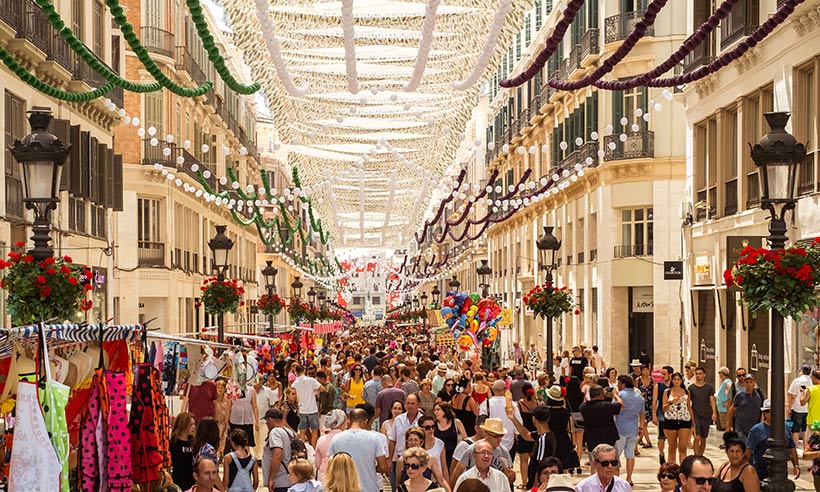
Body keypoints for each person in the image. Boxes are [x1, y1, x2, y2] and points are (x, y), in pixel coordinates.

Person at [326, 408, 390, 492]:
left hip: (344, 488)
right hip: (369, 488)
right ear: (365, 421)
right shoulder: (374, 438)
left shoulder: (337, 438)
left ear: (349, 420)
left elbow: (330, 465)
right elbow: (384, 468)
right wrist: (370, 467)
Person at [449, 418, 516, 488]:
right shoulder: (473, 449)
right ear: (486, 434)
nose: (499, 439)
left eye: (501, 436)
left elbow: (510, 477)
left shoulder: (504, 452)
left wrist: (510, 475)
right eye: (496, 436)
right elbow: (458, 472)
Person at [745, 399, 800, 482]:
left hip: (781, 472)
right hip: (761, 473)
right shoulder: (756, 430)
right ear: (765, 413)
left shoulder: (786, 428)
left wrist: (796, 466)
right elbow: (748, 451)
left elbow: (792, 448)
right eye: (772, 411)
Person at [580, 385, 623, 462]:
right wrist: (615, 395)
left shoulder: (583, 407)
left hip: (592, 439)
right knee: (613, 464)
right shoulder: (607, 406)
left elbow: (586, 401)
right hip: (608, 438)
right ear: (601, 395)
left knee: (594, 465)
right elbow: (621, 405)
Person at [614, 375, 643, 486]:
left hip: (620, 427)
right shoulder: (639, 397)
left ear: (623, 384)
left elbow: (614, 409)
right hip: (633, 428)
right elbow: (642, 414)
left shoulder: (620, 395)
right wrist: (641, 427)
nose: (617, 385)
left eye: (619, 383)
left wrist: (615, 395)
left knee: (616, 454)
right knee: (630, 455)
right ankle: (629, 478)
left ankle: (616, 477)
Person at [479, 379, 522, 454]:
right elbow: (519, 422)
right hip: (509, 442)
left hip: (491, 441)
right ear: (505, 390)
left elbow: (482, 422)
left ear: (493, 389)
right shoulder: (511, 404)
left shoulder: (486, 404)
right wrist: (516, 433)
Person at [544, 386, 580, 473]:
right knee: (563, 467)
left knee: (550, 466)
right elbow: (570, 429)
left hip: (550, 440)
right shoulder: (566, 412)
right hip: (564, 440)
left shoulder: (546, 412)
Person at [389, 394, 423, 487]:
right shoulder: (398, 420)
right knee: (397, 486)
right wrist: (389, 460)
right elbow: (392, 440)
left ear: (418, 404)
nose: (410, 406)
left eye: (413, 403)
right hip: (399, 460)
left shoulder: (422, 420)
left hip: (418, 461)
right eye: (408, 403)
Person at [662, 371, 693, 464]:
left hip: (684, 420)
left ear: (681, 380)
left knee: (683, 447)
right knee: (672, 447)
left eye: (678, 379)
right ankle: (672, 468)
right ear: (672, 380)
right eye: (674, 379)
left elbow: (689, 407)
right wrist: (671, 402)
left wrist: (693, 423)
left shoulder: (686, 391)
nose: (676, 381)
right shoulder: (667, 392)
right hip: (671, 420)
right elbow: (664, 408)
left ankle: (683, 468)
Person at [292, 364, 326, 447]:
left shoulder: (294, 384)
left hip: (302, 409)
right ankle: (313, 449)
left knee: (302, 432)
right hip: (312, 409)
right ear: (304, 371)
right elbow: (322, 389)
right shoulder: (311, 380)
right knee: (314, 431)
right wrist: (314, 391)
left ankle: (302, 449)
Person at [263, 408, 296, 492]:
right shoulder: (289, 432)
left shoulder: (275, 432)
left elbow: (277, 454)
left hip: (280, 480)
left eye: (266, 421)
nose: (266, 423)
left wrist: (271, 478)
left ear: (270, 419)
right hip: (290, 478)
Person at [689, 366, 717, 455]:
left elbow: (712, 400)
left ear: (704, 375)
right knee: (697, 437)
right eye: (696, 374)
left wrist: (714, 413)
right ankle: (696, 455)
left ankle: (701, 455)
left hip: (706, 415)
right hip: (695, 414)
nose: (698, 376)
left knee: (704, 438)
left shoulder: (709, 387)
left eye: (700, 374)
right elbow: (688, 402)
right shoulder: (691, 388)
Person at [726, 374, 762, 441]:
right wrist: (728, 425)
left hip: (754, 428)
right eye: (747, 382)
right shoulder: (739, 395)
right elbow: (732, 410)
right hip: (740, 428)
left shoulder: (759, 395)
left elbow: (762, 410)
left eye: (750, 382)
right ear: (744, 383)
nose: (749, 384)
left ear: (754, 383)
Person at [314, 409, 347, 482]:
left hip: (324, 478)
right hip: (342, 479)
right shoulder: (347, 439)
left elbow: (317, 464)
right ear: (342, 423)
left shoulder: (321, 440)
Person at [255, 372, 282, 456]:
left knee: (263, 440)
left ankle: (261, 458)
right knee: (254, 442)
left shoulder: (268, 391)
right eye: (257, 379)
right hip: (252, 420)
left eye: (260, 379)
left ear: (263, 380)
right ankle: (255, 458)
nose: (258, 381)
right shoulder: (250, 391)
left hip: (264, 420)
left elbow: (272, 405)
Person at [433, 402, 467, 467]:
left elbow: (465, 438)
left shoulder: (456, 422)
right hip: (439, 458)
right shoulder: (434, 425)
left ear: (445, 410)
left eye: (438, 409)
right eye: (435, 410)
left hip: (455, 457)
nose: (435, 412)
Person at [170, 412, 197, 491]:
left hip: (192, 485)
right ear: (183, 425)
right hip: (177, 484)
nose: (194, 427)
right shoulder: (172, 444)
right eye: (191, 425)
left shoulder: (193, 444)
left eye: (194, 424)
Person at [787, 365, 813, 445]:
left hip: (797, 408)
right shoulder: (812, 381)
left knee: (796, 429)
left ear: (801, 371)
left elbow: (792, 396)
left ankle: (794, 446)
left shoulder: (797, 381)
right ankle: (806, 446)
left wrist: (789, 408)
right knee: (805, 428)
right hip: (808, 408)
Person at [228, 384, 259, 450]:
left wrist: (257, 421)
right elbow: (228, 407)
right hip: (235, 421)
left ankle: (247, 459)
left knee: (247, 444)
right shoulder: (231, 390)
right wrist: (226, 421)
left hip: (247, 421)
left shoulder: (251, 390)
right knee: (235, 443)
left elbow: (255, 406)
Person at [653, 365, 673, 465]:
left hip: (673, 415)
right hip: (662, 414)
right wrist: (654, 414)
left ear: (670, 374)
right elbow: (654, 400)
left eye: (665, 374)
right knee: (661, 437)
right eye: (662, 373)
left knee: (672, 439)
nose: (663, 375)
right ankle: (661, 453)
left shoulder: (675, 386)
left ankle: (670, 458)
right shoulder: (659, 386)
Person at [635, 364, 655, 449]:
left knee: (645, 423)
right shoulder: (638, 380)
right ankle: (648, 441)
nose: (646, 371)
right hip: (641, 404)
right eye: (644, 370)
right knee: (644, 424)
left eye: (647, 370)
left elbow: (654, 391)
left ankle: (640, 439)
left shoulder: (652, 380)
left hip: (649, 404)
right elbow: (635, 391)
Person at [214, 379, 230, 456]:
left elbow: (228, 410)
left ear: (224, 389)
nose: (220, 390)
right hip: (216, 421)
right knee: (217, 437)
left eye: (221, 388)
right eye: (218, 388)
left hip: (224, 420)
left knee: (224, 437)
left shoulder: (227, 398)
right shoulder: (214, 398)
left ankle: (222, 453)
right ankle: (217, 452)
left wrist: (227, 422)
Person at [715, 367, 733, 432]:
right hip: (721, 407)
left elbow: (728, 392)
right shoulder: (725, 382)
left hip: (724, 409)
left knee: (726, 426)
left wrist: (727, 402)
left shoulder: (727, 382)